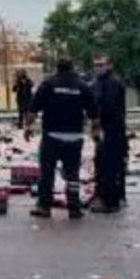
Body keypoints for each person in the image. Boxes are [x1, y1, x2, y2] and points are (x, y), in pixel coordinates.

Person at [27, 58, 96, 219]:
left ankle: (44, 206)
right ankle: (74, 208)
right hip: (75, 137)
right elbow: (94, 113)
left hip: (52, 136)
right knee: (72, 174)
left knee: (47, 173)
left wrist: (27, 127)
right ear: (72, 68)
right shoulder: (82, 86)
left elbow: (33, 110)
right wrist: (96, 132)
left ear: (57, 68)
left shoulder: (48, 84)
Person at [89, 54, 127, 213]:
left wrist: (97, 122)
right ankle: (110, 195)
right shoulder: (98, 83)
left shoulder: (112, 83)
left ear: (109, 65)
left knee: (109, 164)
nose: (98, 68)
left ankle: (110, 200)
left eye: (101, 64)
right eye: (96, 65)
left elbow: (107, 106)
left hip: (112, 128)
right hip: (107, 128)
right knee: (103, 163)